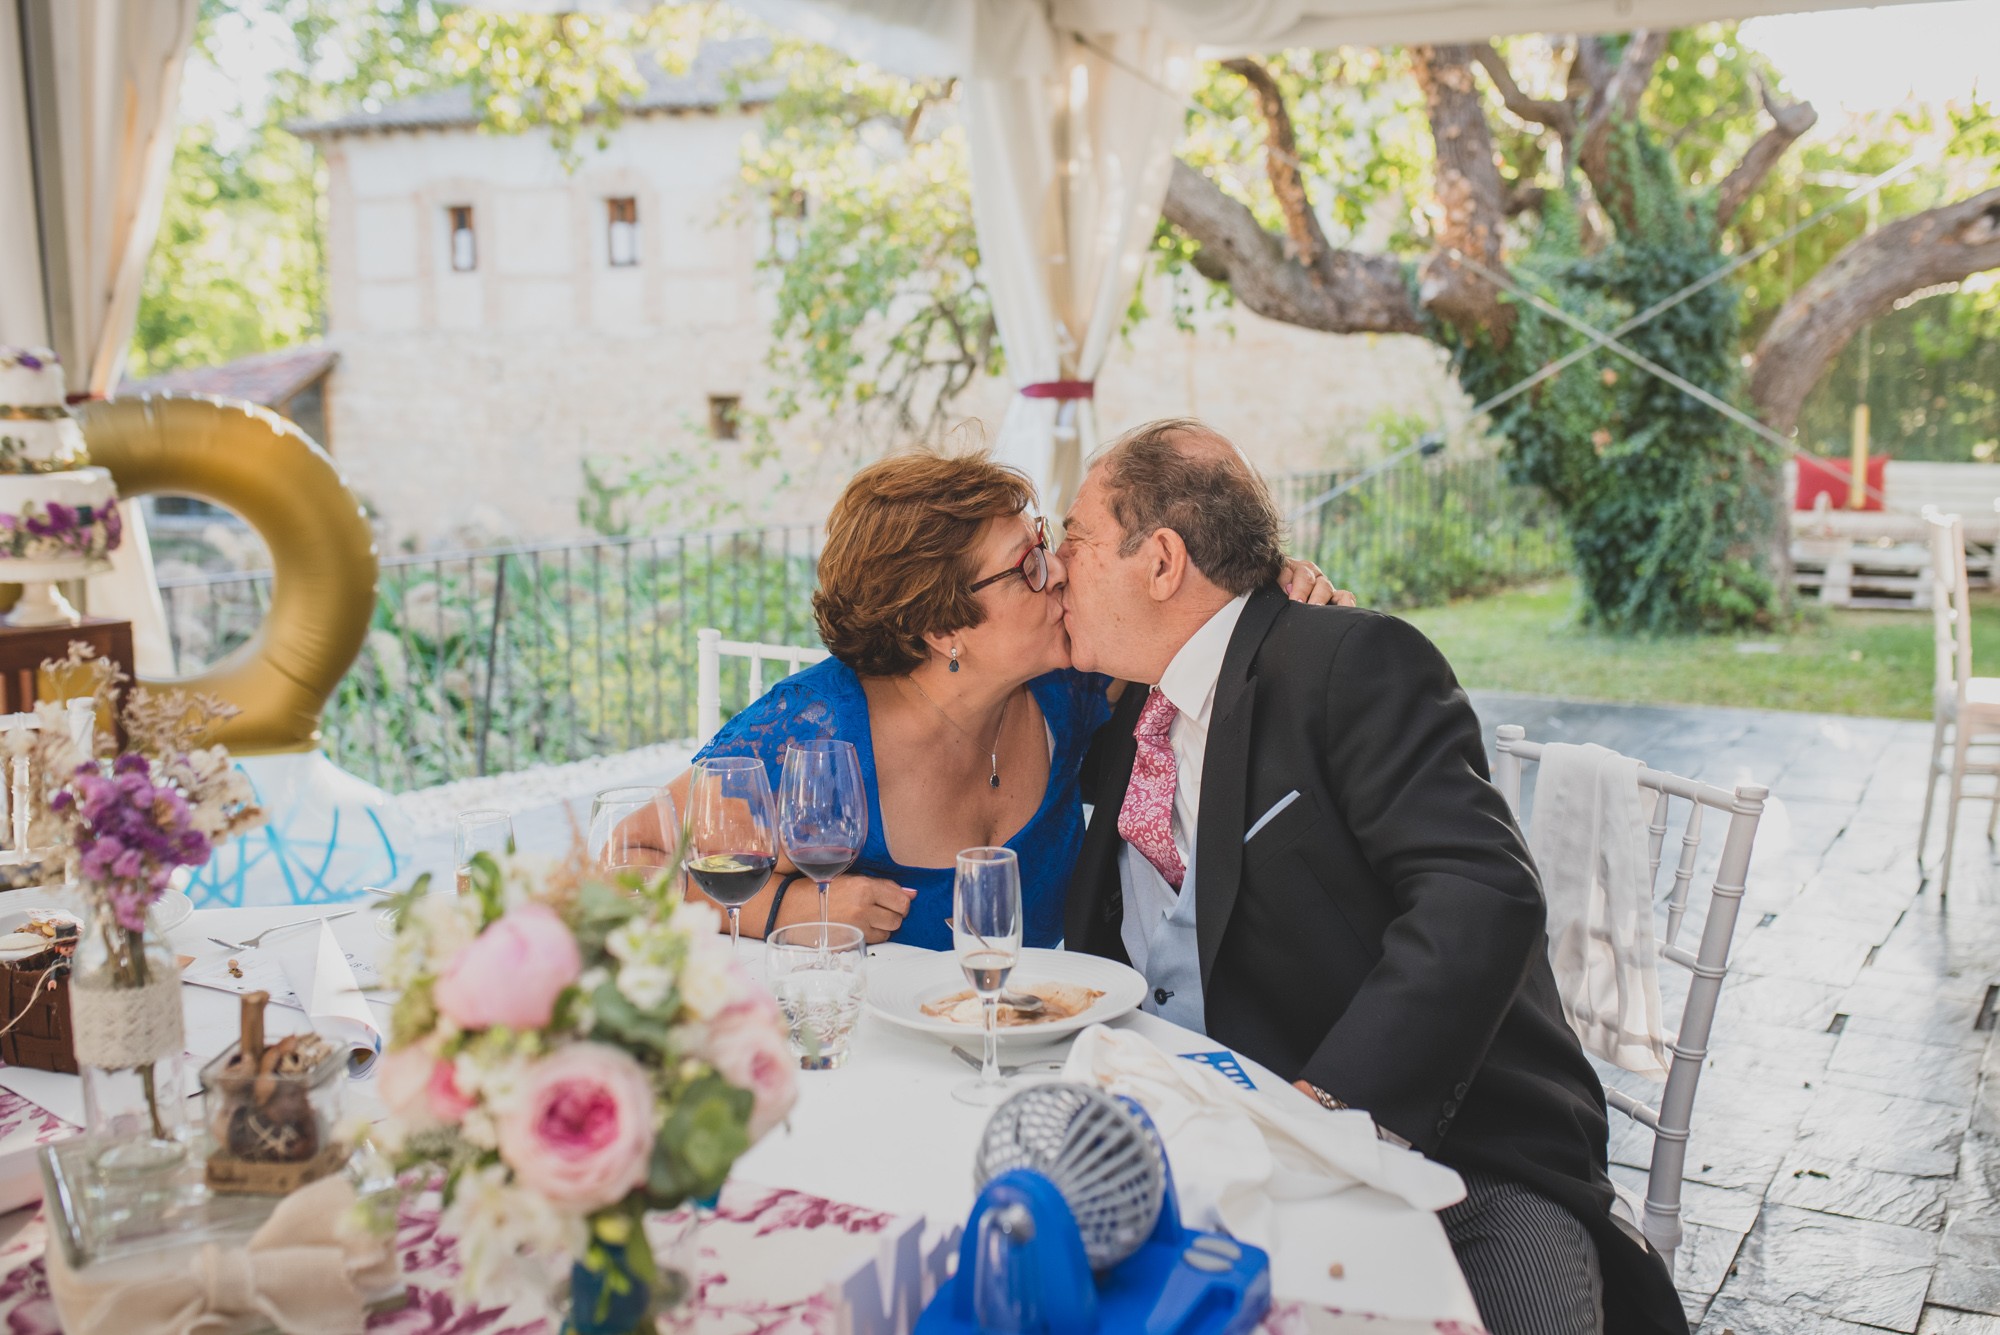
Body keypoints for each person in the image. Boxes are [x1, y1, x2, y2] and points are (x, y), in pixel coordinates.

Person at [1056, 419, 1685, 1335]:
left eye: (1072, 540)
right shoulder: (1122, 716)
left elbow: (1481, 892)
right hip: (1215, 1152)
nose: (1058, 568)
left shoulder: (1347, 661)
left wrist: (1333, 1111)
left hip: (1458, 1155)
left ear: (1161, 560)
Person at [627, 449, 1339, 949]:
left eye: (1045, 543)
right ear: (941, 627)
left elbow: (1187, 616)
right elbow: (625, 857)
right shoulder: (811, 734)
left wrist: (1269, 589)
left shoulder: (1073, 685)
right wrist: (780, 906)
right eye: (1025, 566)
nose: (1058, 570)